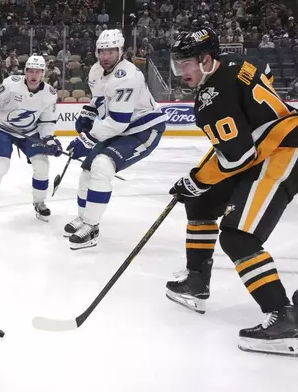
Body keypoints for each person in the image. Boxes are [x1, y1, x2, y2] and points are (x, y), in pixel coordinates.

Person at [167, 27, 298, 356]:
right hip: (265, 148)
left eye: (187, 65)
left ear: (207, 59)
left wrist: (197, 179)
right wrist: (199, 182)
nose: (181, 72)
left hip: (284, 150)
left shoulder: (212, 97)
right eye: (178, 65)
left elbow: (236, 156)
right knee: (200, 204)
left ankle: (284, 319)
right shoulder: (235, 63)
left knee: (239, 237)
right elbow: (261, 76)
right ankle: (196, 281)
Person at [64, 29, 167, 249]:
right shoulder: (95, 71)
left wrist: (88, 139)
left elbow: (119, 121)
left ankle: (92, 226)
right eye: (102, 51)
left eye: (111, 51)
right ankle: (84, 218)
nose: (106, 56)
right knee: (87, 171)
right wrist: (88, 112)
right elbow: (100, 100)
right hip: (118, 128)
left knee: (102, 165)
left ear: (120, 51)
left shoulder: (128, 76)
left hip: (142, 129)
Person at [0, 55, 62, 225]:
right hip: (3, 129)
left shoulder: (49, 94)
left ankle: (39, 202)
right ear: (25, 71)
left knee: (42, 164)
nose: (33, 75)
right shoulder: (11, 83)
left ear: (43, 73)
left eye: (38, 71)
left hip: (29, 132)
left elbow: (46, 122)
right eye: (30, 71)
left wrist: (49, 140)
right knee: (1, 165)